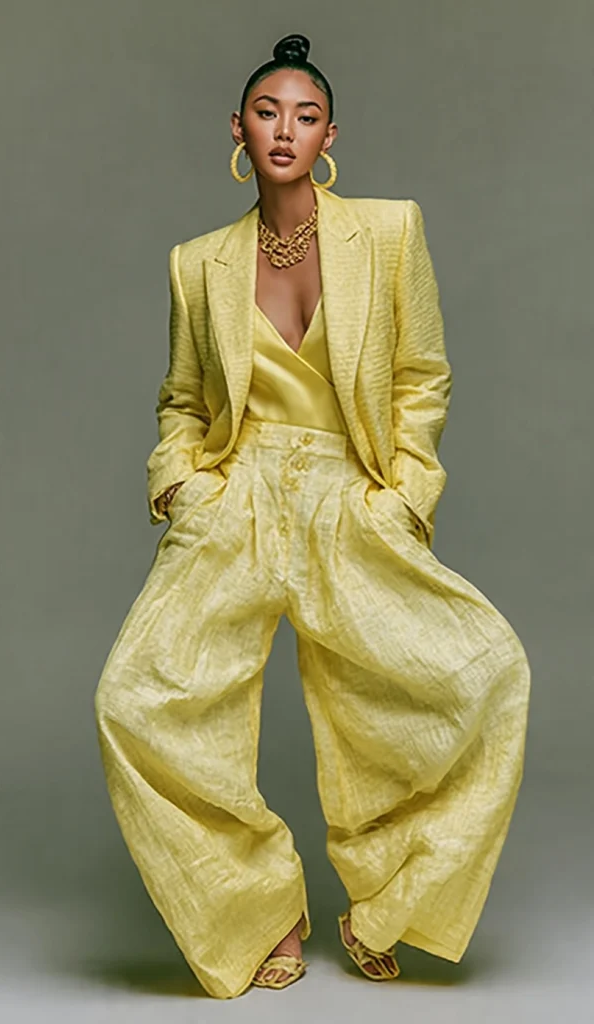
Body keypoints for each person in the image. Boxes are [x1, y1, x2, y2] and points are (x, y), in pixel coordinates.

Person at [94, 32, 531, 1000]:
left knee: (477, 678)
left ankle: (386, 906)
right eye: (265, 112)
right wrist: (183, 485)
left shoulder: (387, 231)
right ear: (237, 132)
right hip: (234, 498)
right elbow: (180, 399)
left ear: (329, 133)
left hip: (348, 497)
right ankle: (258, 909)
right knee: (136, 701)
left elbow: (420, 376)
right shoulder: (196, 263)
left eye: (302, 115)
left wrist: (404, 495)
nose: (283, 129)